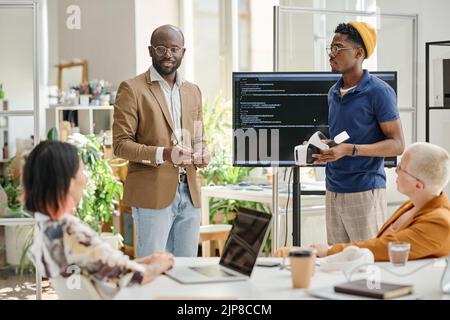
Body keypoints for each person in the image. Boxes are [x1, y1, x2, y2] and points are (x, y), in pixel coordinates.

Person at [26, 141, 174, 298]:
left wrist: (149, 260)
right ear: (68, 182)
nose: (85, 180)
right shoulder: (71, 232)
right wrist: (159, 265)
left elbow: (107, 266)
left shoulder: (45, 228)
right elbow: (131, 275)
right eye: (82, 172)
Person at [113, 25, 209, 258]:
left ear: (183, 52)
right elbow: (120, 144)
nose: (168, 54)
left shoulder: (193, 91)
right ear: (150, 51)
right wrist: (164, 154)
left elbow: (199, 138)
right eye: (161, 48)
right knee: (153, 270)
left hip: (191, 193)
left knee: (187, 271)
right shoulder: (132, 89)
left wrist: (203, 153)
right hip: (151, 195)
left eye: (174, 48)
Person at [276, 142, 450, 261]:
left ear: (418, 185)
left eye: (401, 168)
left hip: (393, 283)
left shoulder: (440, 222)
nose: (395, 171)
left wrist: (328, 251)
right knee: (282, 255)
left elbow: (384, 247)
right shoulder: (412, 205)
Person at [313, 22, 405, 244]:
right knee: (337, 262)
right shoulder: (333, 92)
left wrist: (350, 150)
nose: (331, 54)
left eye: (338, 48)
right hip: (333, 189)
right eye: (330, 48)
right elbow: (345, 136)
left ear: (358, 53)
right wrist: (328, 146)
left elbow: (397, 144)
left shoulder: (379, 92)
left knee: (369, 263)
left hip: (365, 190)